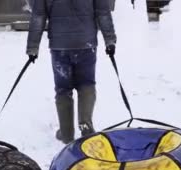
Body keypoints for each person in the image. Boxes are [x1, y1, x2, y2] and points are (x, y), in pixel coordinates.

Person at [26, 0, 117, 144]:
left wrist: (32, 47)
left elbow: (38, 16)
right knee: (86, 84)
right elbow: (103, 12)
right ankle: (85, 126)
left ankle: (66, 133)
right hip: (86, 44)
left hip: (60, 46)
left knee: (63, 90)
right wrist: (110, 40)